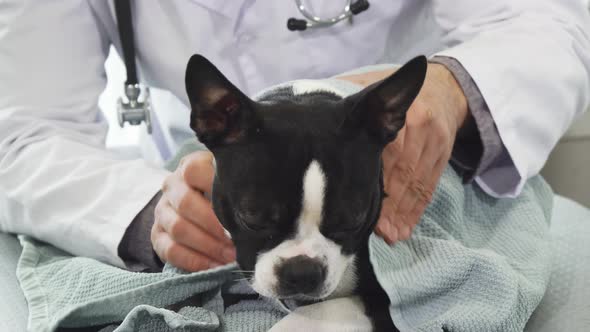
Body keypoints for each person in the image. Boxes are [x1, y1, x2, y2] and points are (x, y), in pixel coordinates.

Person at [1, 0, 589, 282]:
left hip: (427, 180)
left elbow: (552, 21)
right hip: (204, 198)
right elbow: (21, 132)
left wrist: (455, 84)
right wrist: (152, 211)